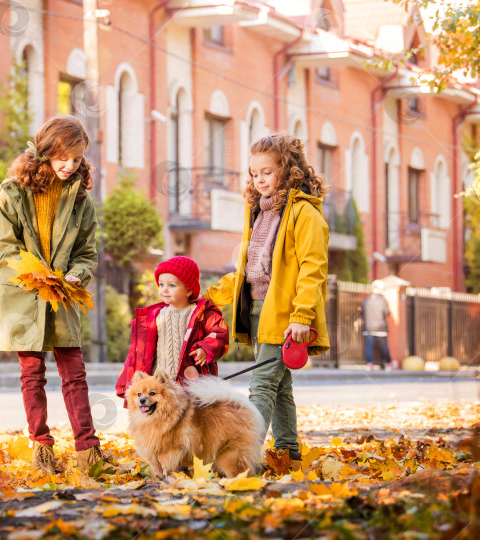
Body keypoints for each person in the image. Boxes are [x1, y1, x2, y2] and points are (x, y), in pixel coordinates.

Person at [0, 115, 107, 473]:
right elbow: (1, 245)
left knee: (74, 372)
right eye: (63, 157)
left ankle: (88, 451)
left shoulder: (81, 200)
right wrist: (36, 274)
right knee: (32, 373)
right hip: (25, 293)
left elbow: (86, 252)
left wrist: (77, 275)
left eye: (77, 159)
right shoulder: (13, 192)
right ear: (46, 152)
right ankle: (42, 447)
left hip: (62, 294)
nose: (70, 165)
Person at [205, 133, 330, 469]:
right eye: (254, 173)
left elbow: (312, 271)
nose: (259, 179)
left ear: (287, 171)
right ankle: (288, 454)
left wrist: (302, 316)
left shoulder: (306, 215)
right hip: (260, 312)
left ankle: (241, 460)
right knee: (280, 386)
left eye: (267, 172)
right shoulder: (258, 213)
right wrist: (206, 297)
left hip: (286, 315)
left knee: (261, 385)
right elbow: (248, 271)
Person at [115, 256, 229, 403]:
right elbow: (140, 351)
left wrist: (205, 349)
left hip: (189, 380)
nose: (164, 290)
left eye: (171, 285)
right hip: (158, 381)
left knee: (191, 415)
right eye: (161, 285)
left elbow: (219, 333)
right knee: (159, 415)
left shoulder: (202, 313)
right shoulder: (153, 315)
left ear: (188, 290)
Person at [359, 280, 392, 371]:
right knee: (383, 346)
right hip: (380, 327)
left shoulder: (366, 299)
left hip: (368, 326)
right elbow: (387, 312)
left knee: (369, 346)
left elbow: (362, 312)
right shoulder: (382, 300)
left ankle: (369, 364)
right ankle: (387, 364)